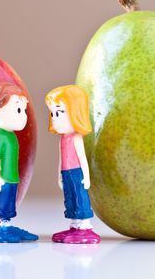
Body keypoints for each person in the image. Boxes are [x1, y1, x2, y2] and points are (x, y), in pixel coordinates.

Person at [0, 82, 38, 243]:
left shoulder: (11, 136)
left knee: (7, 203)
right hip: (0, 178)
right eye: (18, 110)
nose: (23, 115)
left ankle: (6, 225)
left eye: (23, 110)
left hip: (11, 177)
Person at [45, 85, 100, 244]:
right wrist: (59, 176)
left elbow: (82, 158)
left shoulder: (76, 138)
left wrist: (87, 177)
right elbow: (62, 159)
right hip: (66, 173)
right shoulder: (64, 138)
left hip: (77, 173)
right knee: (70, 197)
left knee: (79, 197)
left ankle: (84, 226)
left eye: (59, 112)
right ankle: (75, 225)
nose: (55, 118)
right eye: (53, 113)